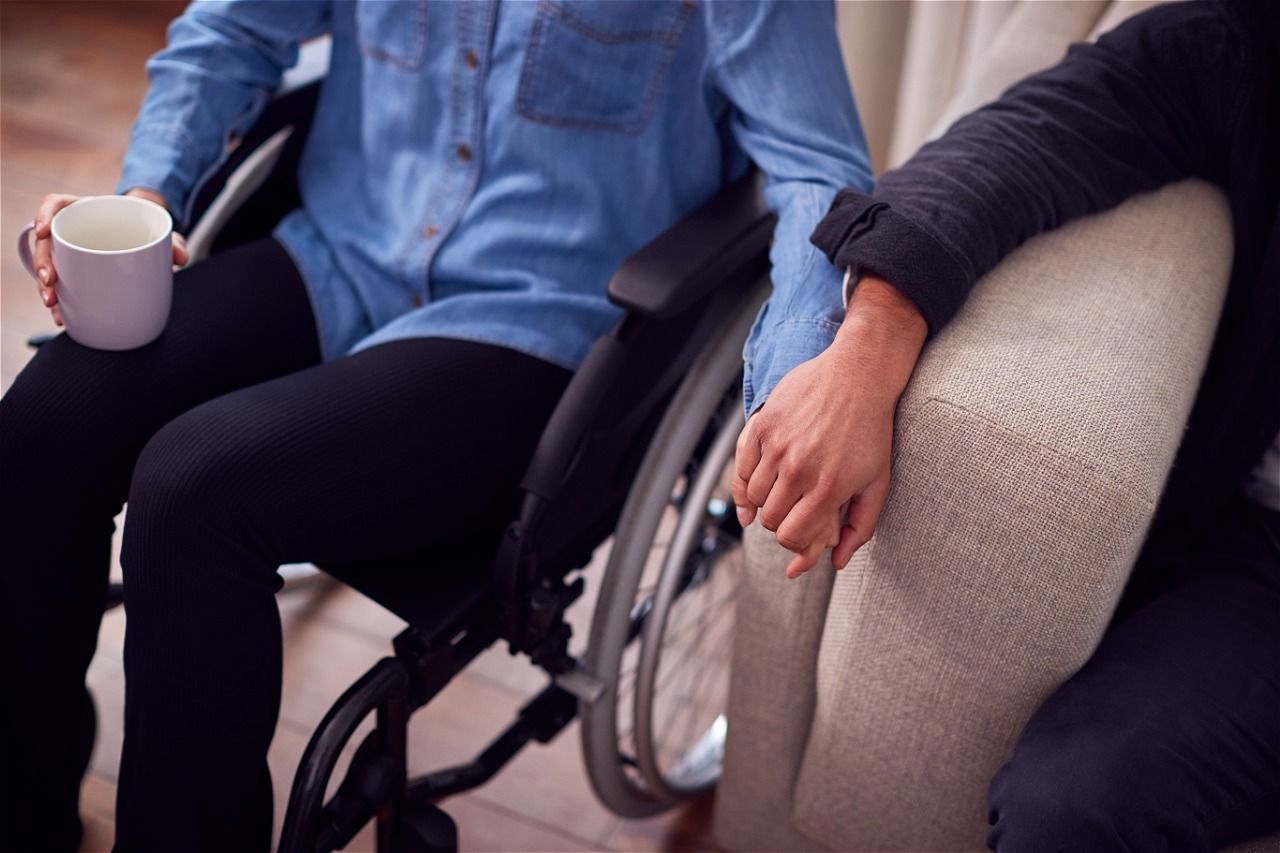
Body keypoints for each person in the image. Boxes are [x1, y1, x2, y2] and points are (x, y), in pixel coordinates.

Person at [0, 2, 871, 849]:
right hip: (344, 249)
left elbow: (814, 167)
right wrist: (144, 197)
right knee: (42, 424)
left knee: (194, 487)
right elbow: (233, 27)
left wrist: (793, 378)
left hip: (534, 316)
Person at [732, 0, 1279, 848]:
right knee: (1072, 799)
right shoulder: (1252, 50)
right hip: (1256, 572)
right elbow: (1034, 133)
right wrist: (871, 343)